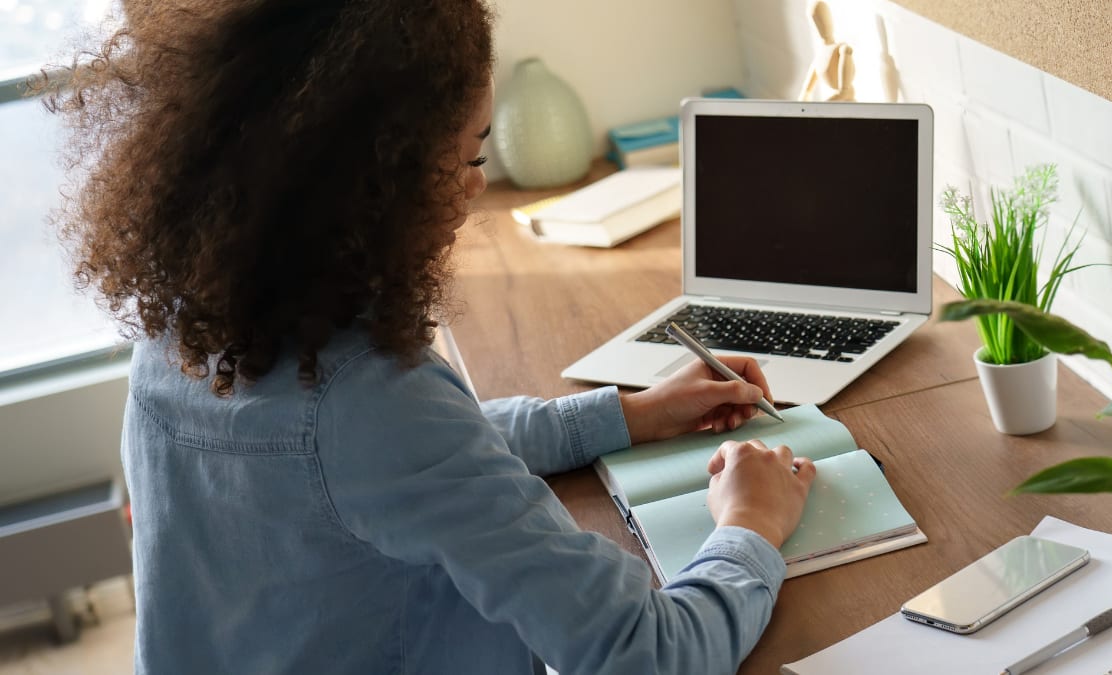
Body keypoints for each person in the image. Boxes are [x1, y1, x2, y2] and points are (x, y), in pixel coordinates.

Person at [47, 0, 817, 672]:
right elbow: (646, 653)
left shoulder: (185, 325)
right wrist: (751, 522)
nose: (477, 185)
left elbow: (399, 466)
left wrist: (628, 414)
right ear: (378, 180)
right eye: (469, 154)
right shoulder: (369, 397)